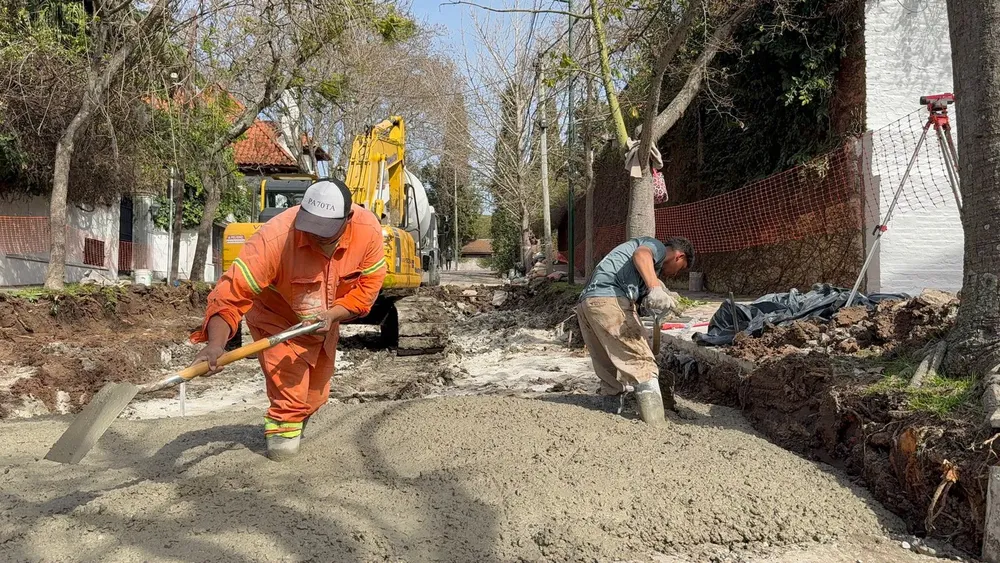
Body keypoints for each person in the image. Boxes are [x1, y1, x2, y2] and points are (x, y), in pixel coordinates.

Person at [189, 178, 387, 461]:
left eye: (326, 232)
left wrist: (333, 315)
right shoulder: (275, 238)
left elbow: (366, 289)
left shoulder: (368, 231)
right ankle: (280, 457)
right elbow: (229, 294)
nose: (317, 237)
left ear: (348, 218)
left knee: (316, 396)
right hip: (276, 318)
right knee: (290, 398)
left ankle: (291, 428)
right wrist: (215, 345)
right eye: (312, 229)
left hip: (323, 320)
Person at [576, 236, 694, 425]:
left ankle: (611, 412)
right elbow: (642, 255)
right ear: (679, 256)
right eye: (680, 269)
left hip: (587, 304)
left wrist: (654, 296)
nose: (674, 274)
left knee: (608, 369)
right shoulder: (655, 247)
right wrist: (654, 287)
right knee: (642, 363)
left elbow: (637, 298)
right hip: (609, 300)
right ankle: (655, 423)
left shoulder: (640, 270)